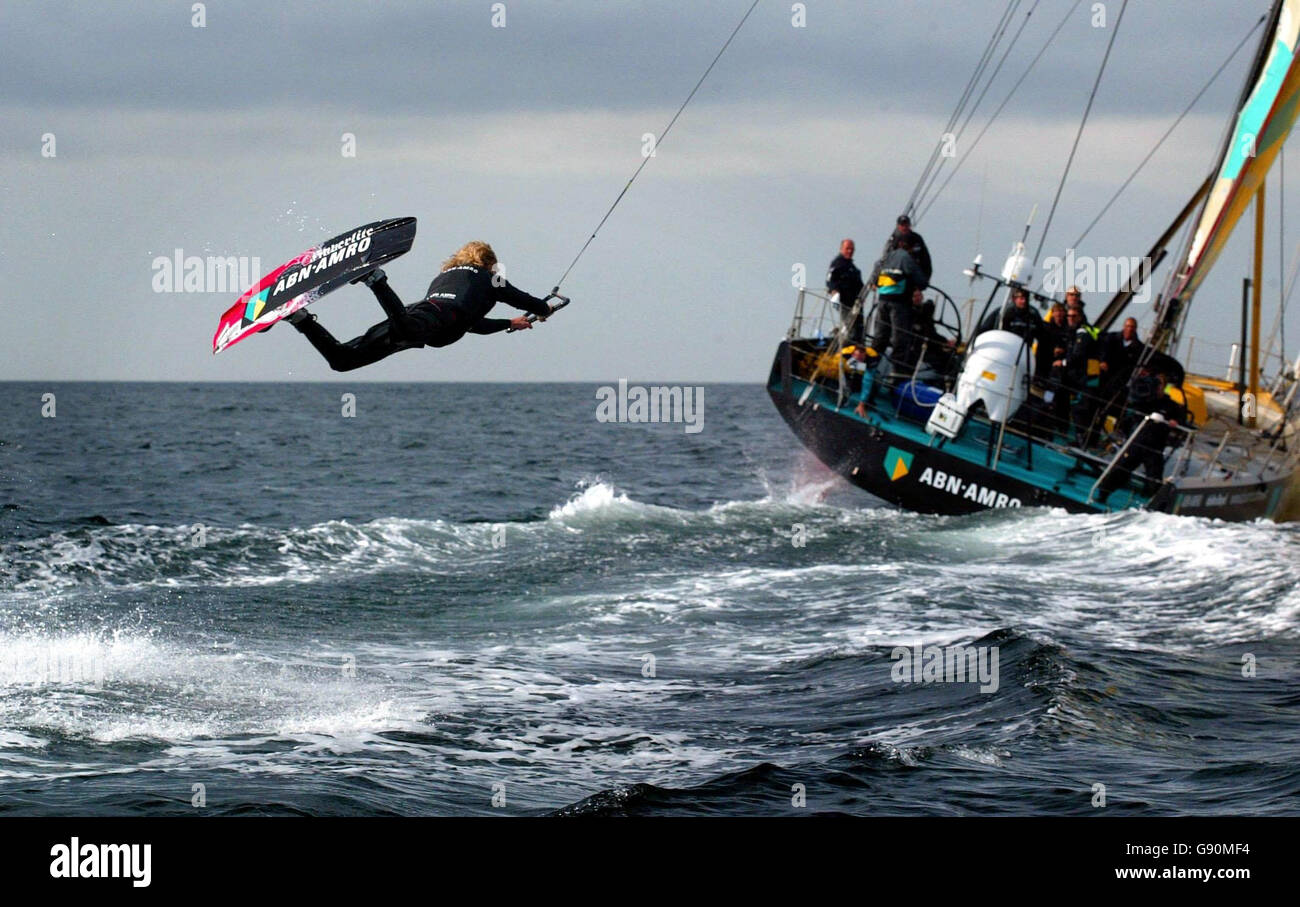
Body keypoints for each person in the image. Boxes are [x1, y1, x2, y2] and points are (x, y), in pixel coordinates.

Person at [288, 241, 555, 372]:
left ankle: (300, 319)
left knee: (342, 361)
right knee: (408, 330)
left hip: (418, 316)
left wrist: (510, 323)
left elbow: (472, 325)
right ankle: (375, 279)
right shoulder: (489, 278)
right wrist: (545, 310)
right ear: (489, 262)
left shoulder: (445, 275)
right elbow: (526, 301)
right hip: (427, 322)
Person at [1096, 366, 1187, 501]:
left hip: (1155, 446)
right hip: (1138, 442)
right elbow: (1133, 408)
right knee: (1121, 470)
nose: (1157, 387)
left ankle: (1154, 503)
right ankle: (1102, 494)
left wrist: (1174, 422)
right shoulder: (1144, 400)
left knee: (1154, 476)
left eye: (1160, 384)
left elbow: (1181, 421)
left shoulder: (1171, 405)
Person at [872, 234, 928, 369]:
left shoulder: (884, 258)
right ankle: (896, 372)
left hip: (882, 302)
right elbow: (921, 281)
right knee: (900, 339)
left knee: (880, 337)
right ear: (906, 246)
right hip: (899, 304)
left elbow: (875, 279)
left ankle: (871, 366)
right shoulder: (905, 258)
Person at [826, 238, 865, 340]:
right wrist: (834, 292)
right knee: (850, 328)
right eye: (847, 249)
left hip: (856, 302)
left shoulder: (852, 266)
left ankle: (857, 346)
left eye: (852, 249)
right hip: (846, 302)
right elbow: (830, 279)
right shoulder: (838, 263)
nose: (850, 251)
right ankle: (848, 346)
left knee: (858, 328)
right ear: (841, 249)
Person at [891, 215, 932, 284]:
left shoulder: (917, 238)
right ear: (898, 226)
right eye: (902, 225)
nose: (904, 227)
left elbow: (925, 259)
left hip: (914, 274)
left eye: (906, 225)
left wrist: (926, 278)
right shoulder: (893, 240)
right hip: (898, 276)